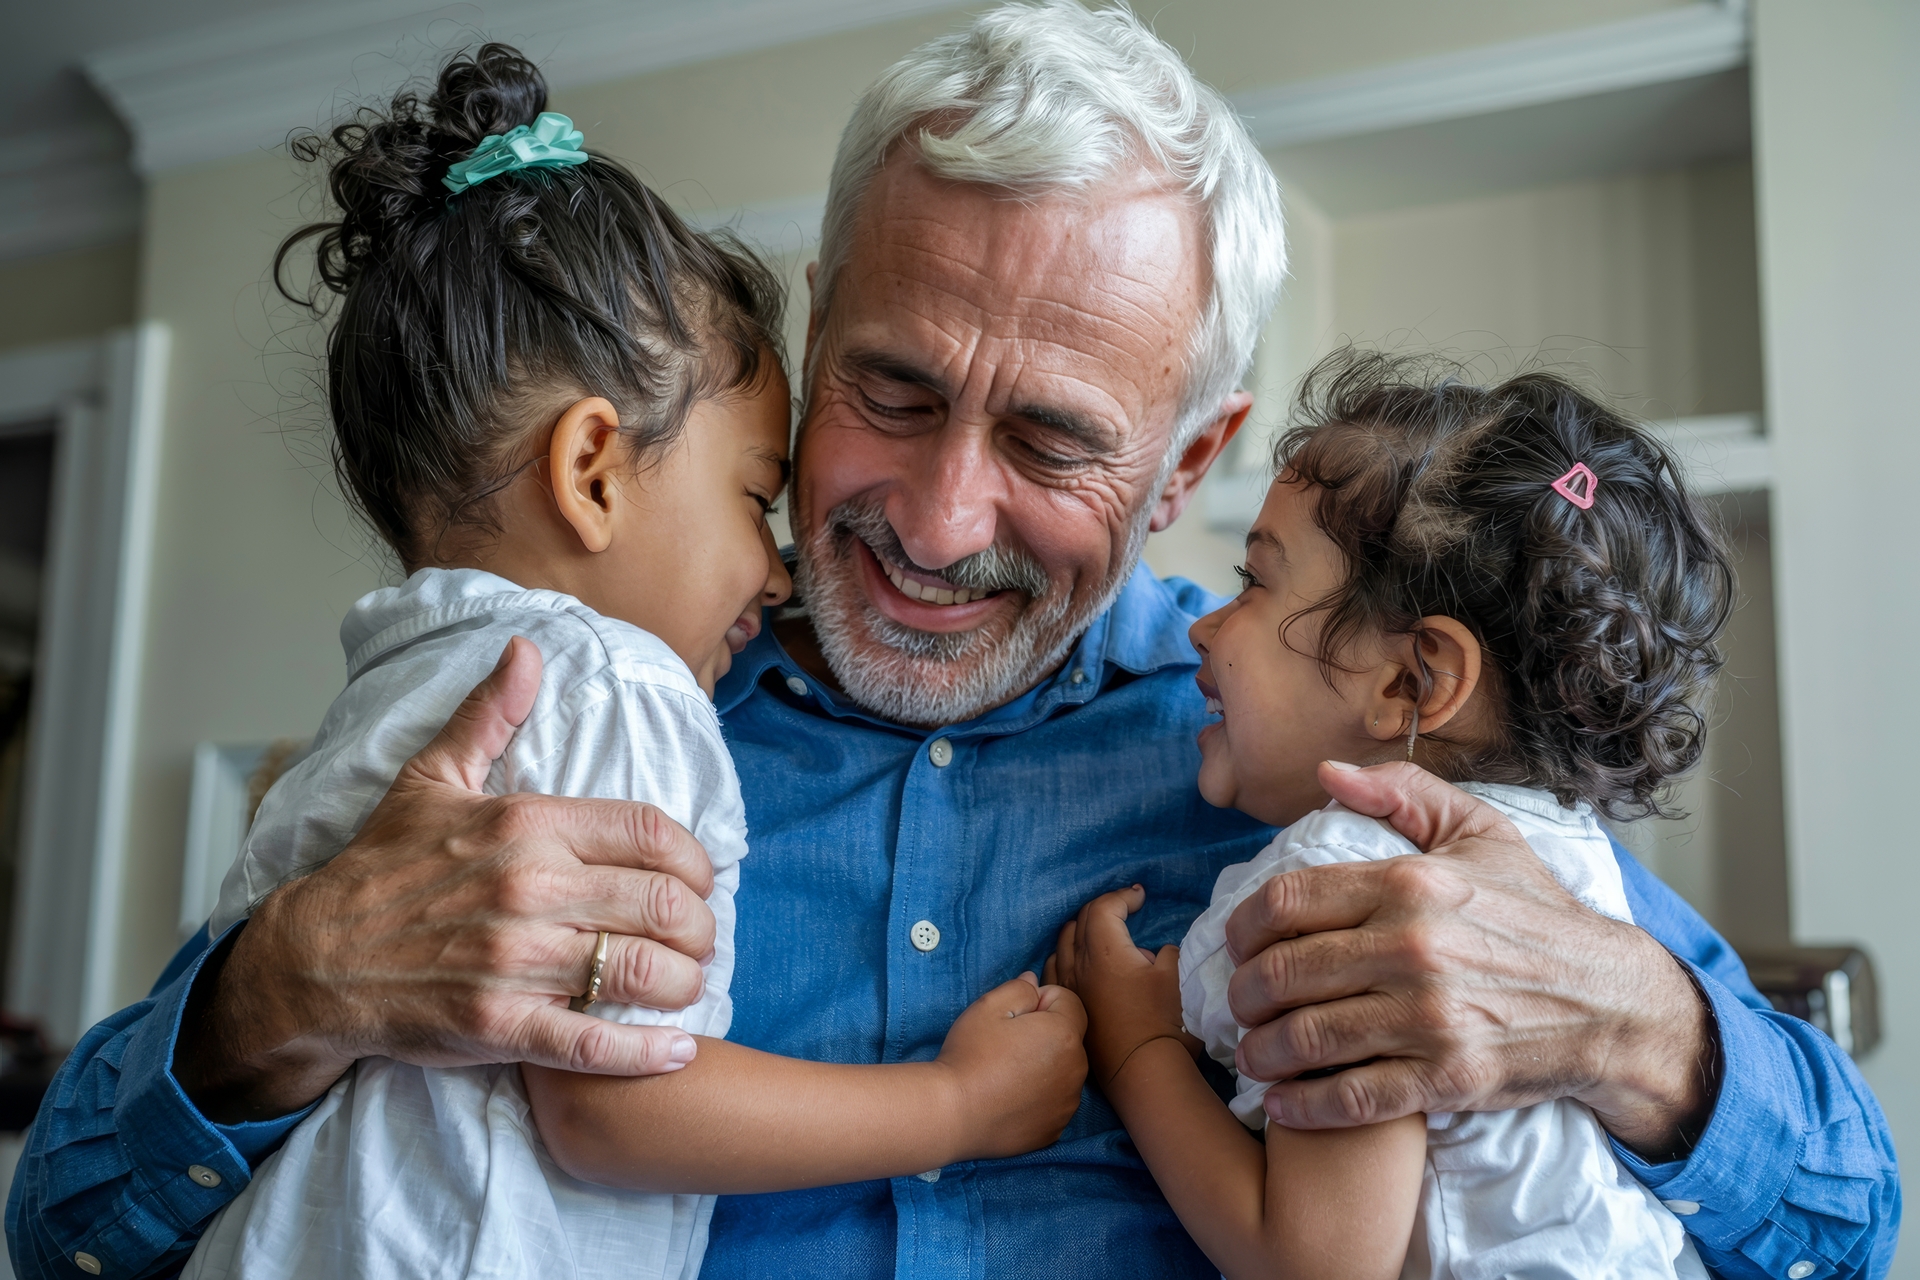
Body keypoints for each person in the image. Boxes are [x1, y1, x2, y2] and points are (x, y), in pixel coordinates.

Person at [7, 5, 1898, 1280]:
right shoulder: (574, 711)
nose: (934, 517)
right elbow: (64, 1219)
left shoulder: (1348, 755)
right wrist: (280, 996)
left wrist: (1645, 1035)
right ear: (816, 337)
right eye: (892, 390)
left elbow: (1853, 1214)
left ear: (1190, 464)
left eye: (1058, 439)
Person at [170, 44, 1086, 1280]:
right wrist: (959, 1105)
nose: (772, 570)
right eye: (754, 496)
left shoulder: (390, 687)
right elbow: (611, 1105)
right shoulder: (615, 685)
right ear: (594, 470)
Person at [1052, 352, 1737, 1279]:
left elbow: (1313, 1264)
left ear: (1411, 682)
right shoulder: (1570, 860)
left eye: (1254, 583)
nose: (1203, 626)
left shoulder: (1355, 882)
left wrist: (1136, 1051)